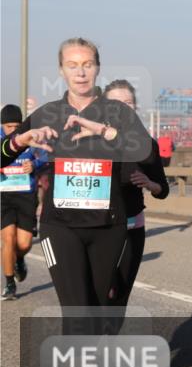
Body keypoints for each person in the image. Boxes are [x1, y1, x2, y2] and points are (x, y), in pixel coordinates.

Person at [0, 38, 158, 310]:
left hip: (109, 226)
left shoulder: (118, 112)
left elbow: (148, 153)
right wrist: (21, 141)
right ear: (61, 70)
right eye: (72, 65)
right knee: (77, 314)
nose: (80, 72)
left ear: (98, 68)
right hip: (59, 225)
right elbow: (3, 153)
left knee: (98, 314)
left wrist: (104, 131)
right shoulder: (47, 113)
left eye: (87, 64)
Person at [103, 80, 169, 307]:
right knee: (100, 292)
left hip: (132, 226)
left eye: (127, 102)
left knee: (119, 295)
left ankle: (109, 339)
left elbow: (163, 189)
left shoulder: (146, 144)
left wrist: (150, 183)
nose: (122, 107)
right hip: (96, 228)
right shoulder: (88, 141)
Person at [1, 104, 47, 300]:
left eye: (16, 126)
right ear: (2, 125)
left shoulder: (29, 136)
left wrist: (34, 164)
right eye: (8, 126)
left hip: (26, 195)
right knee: (8, 238)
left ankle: (19, 259)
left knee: (24, 243)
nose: (13, 130)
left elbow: (46, 155)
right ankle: (9, 283)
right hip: (3, 196)